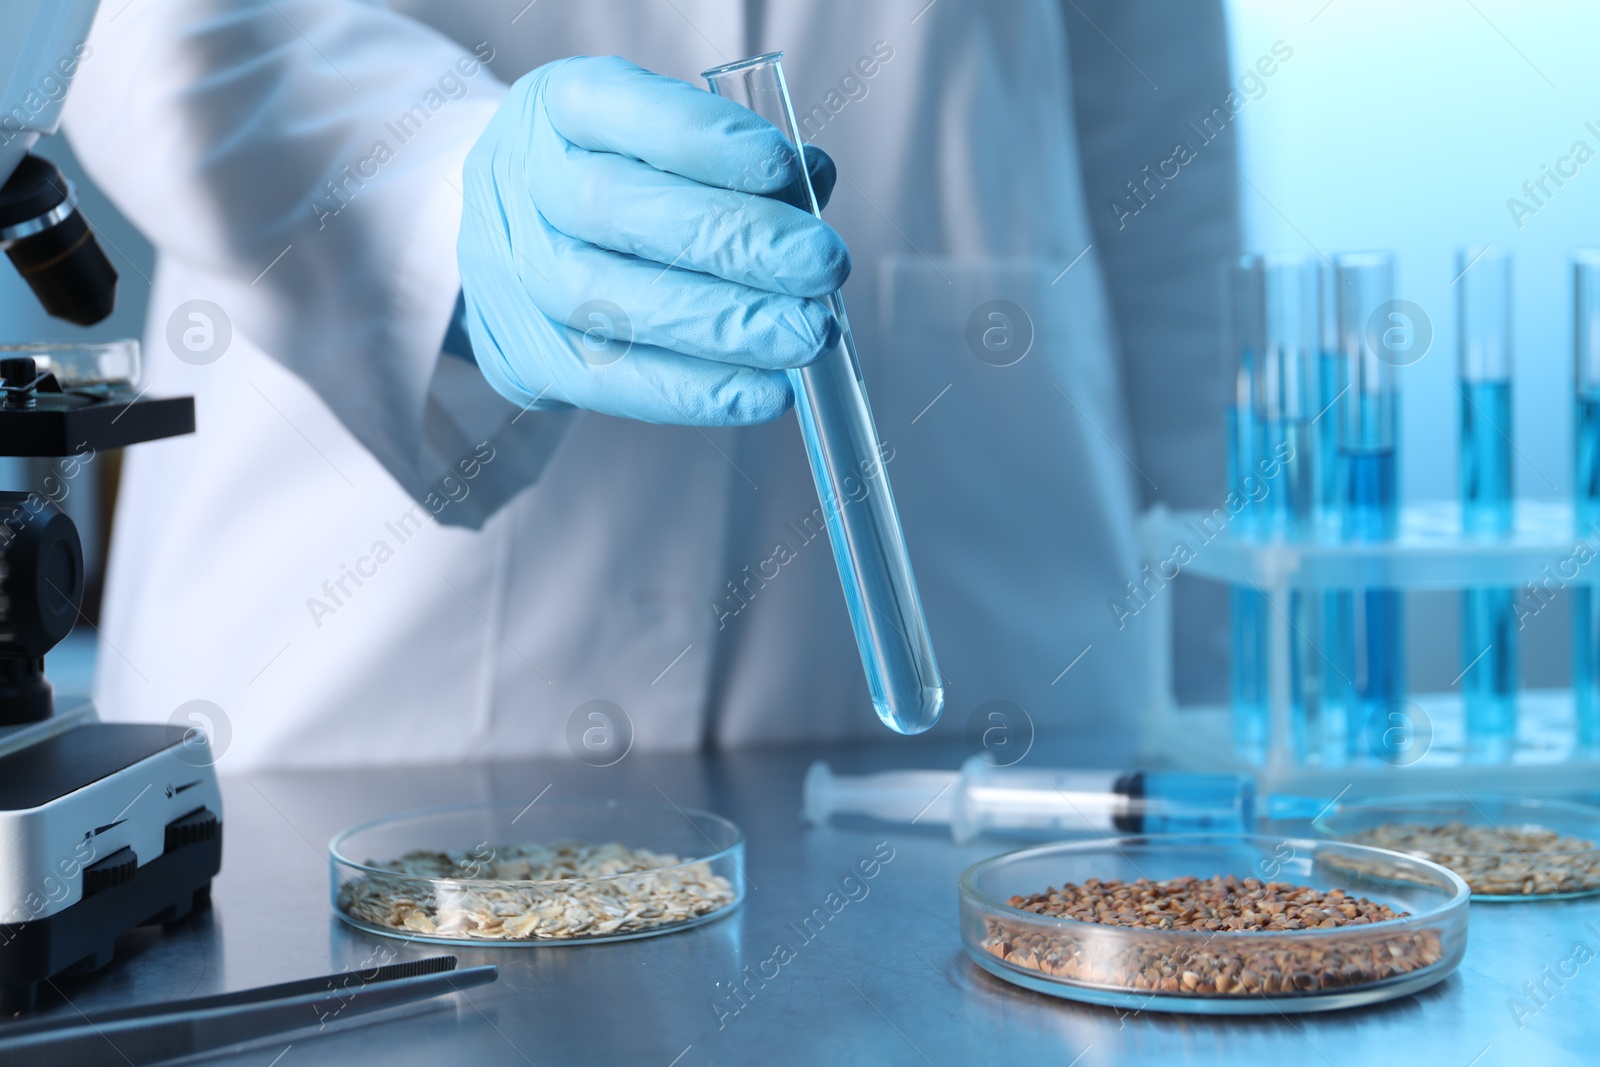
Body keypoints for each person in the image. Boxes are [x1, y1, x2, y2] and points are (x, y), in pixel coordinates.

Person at [62, 0, 1237, 770]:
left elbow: (1158, 132)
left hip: (988, 632)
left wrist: (1206, 674)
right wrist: (437, 211)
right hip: (354, 680)